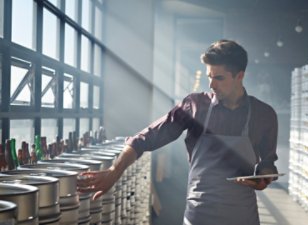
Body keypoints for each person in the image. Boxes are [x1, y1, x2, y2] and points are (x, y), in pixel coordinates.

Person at [78, 39, 279, 225]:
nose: (211, 84)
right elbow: (146, 138)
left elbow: (268, 164)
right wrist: (115, 171)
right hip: (200, 213)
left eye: (219, 78)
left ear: (240, 76)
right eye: (209, 76)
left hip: (242, 216)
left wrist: (263, 179)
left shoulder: (264, 115)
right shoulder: (195, 106)